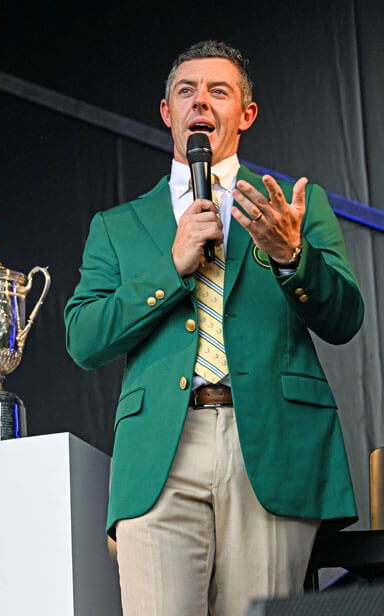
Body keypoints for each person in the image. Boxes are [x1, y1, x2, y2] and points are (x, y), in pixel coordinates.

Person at [63, 40, 362, 616]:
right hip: (161, 453)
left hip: (271, 444)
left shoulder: (293, 207)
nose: (200, 101)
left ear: (245, 114)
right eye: (187, 91)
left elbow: (345, 318)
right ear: (167, 111)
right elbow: (84, 339)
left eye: (218, 91)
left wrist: (291, 257)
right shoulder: (118, 225)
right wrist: (169, 267)